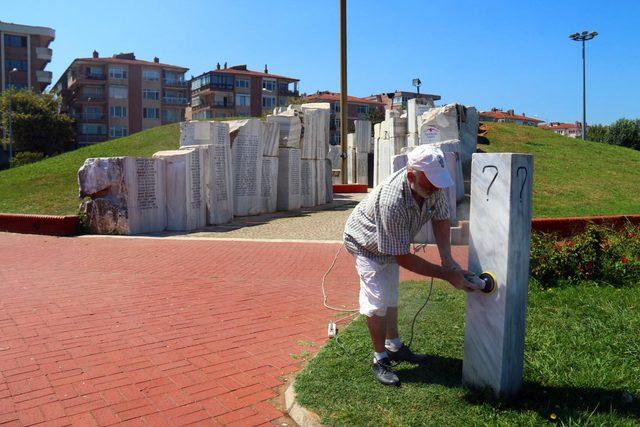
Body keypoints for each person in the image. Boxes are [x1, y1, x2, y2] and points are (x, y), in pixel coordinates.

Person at [343, 144, 479, 386]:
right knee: (376, 301)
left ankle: (393, 346)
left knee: (392, 296)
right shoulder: (391, 201)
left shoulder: (433, 185)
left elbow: (441, 218)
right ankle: (380, 359)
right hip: (365, 244)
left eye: (438, 182)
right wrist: (446, 275)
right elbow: (402, 257)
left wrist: (448, 260)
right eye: (430, 183)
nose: (436, 187)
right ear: (410, 176)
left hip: (391, 243)